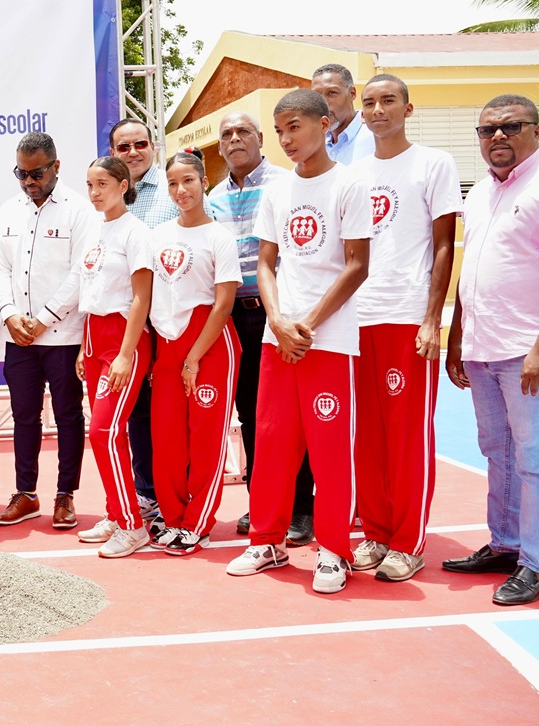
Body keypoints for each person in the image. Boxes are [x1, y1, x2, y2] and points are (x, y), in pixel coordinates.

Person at [225, 89, 371, 594]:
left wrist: (305, 323)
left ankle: (333, 550)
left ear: (324, 124)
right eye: (280, 130)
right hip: (278, 339)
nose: (286, 139)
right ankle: (267, 541)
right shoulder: (277, 191)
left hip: (328, 341)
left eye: (295, 127)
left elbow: (357, 265)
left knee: (330, 452)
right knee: (271, 445)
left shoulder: (349, 184)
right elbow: (266, 264)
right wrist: (279, 321)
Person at [444, 94, 539, 606]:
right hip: (482, 348)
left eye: (510, 126)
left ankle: (536, 564)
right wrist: (457, 337)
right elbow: (471, 270)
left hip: (529, 351)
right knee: (498, 451)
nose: (497, 136)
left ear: (535, 131)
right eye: (487, 129)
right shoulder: (478, 194)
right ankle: (505, 544)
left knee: (535, 459)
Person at [350, 74, 460, 583]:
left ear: (408, 109)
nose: (378, 110)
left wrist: (432, 319)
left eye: (388, 101)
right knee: (367, 437)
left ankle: (408, 541)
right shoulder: (353, 172)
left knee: (407, 436)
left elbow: (444, 245)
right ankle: (375, 532)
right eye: (370, 102)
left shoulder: (434, 163)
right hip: (358, 319)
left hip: (407, 315)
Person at [208, 113, 314, 545]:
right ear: (220, 146)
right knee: (252, 415)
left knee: (292, 417)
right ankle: (263, 502)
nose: (235, 139)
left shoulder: (287, 184)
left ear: (260, 139)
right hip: (232, 318)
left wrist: (283, 316)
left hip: (279, 317)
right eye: (227, 135)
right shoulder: (214, 197)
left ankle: (302, 508)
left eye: (243, 132)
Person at [0, 132, 94, 530]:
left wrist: (45, 317)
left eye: (36, 173)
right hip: (19, 335)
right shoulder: (8, 209)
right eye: (21, 173)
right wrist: (9, 314)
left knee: (68, 415)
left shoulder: (79, 210)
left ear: (56, 166)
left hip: (63, 335)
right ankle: (26, 493)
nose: (29, 181)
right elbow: (0, 267)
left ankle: (65, 494)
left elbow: (81, 271)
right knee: (23, 415)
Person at [147, 151, 241, 556]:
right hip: (167, 346)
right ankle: (172, 518)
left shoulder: (219, 236)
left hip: (210, 345)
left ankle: (198, 523)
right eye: (172, 183)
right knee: (167, 439)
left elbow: (224, 304)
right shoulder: (158, 236)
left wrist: (193, 358)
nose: (180, 190)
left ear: (204, 183)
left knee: (206, 440)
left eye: (188, 181)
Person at [74, 156, 154, 558]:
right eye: (90, 185)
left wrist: (125, 354)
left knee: (103, 431)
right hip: (93, 337)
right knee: (109, 435)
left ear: (123, 185)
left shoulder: (135, 232)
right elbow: (91, 292)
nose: (94, 193)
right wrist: (82, 347)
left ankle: (132, 525)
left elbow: (141, 297)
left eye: (102, 184)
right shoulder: (95, 229)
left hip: (123, 339)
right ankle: (115, 512)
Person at [107, 119, 170, 521]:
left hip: (169, 320)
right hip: (127, 324)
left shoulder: (172, 190)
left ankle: (176, 494)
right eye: (124, 147)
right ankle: (147, 492)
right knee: (138, 412)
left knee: (172, 412)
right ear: (113, 152)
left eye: (140, 144)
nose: (133, 152)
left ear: (153, 146)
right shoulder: (107, 200)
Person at [312, 63, 375, 164]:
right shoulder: (314, 143)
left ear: (352, 93)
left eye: (332, 93)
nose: (323, 103)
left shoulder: (376, 137)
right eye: (317, 95)